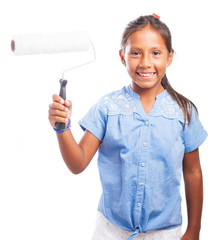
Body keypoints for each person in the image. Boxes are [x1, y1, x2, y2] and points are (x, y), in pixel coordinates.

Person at [48, 14, 207, 240]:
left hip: (165, 233)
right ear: (122, 57)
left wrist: (194, 230)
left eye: (155, 53)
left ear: (169, 57)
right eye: (136, 53)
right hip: (109, 231)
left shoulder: (184, 112)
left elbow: (193, 172)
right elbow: (78, 163)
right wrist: (61, 128)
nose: (145, 62)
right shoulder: (107, 108)